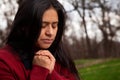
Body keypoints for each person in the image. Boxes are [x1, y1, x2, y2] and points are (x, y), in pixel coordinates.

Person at [0, 0, 80, 80]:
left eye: (54, 26)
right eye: (43, 25)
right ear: (24, 26)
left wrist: (51, 74)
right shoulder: (4, 60)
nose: (50, 33)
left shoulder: (59, 55)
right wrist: (40, 71)